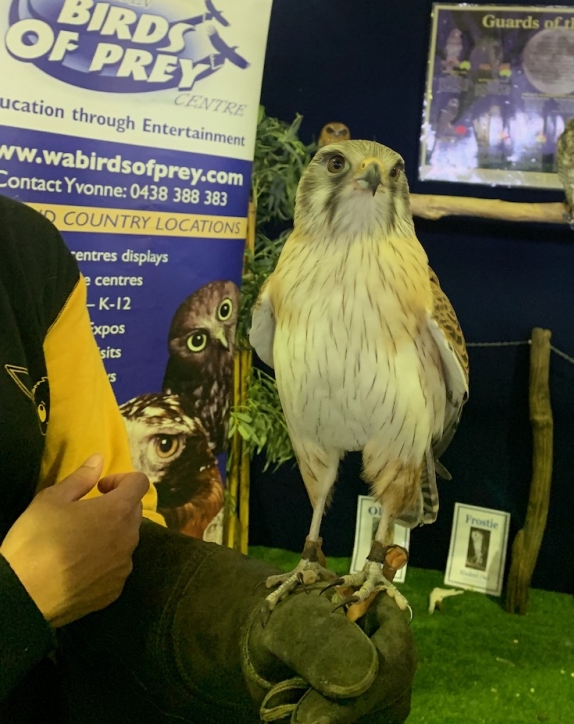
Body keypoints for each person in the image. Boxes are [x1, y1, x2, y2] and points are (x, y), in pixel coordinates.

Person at [0, 196, 415, 722]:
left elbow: (102, 531)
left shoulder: (23, 251)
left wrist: (246, 623)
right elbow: (48, 577)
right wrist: (17, 603)